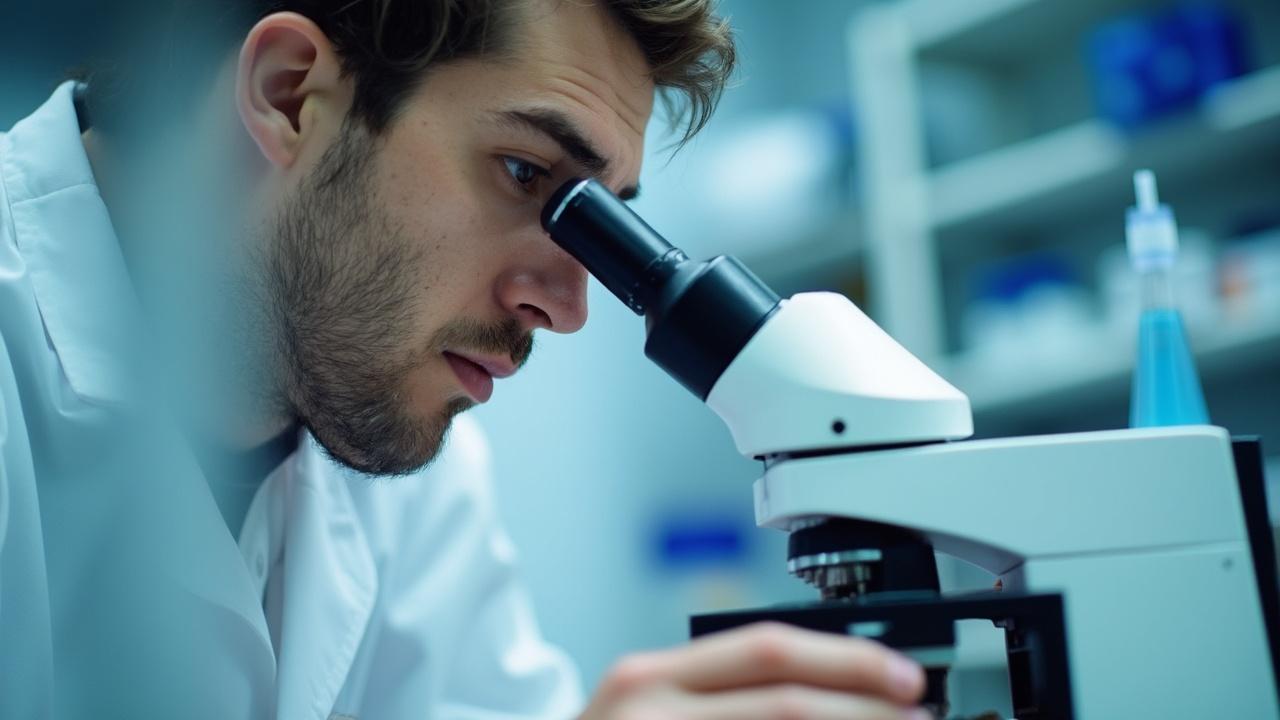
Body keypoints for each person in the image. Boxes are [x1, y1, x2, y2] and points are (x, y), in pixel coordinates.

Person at [0, 1, 931, 718]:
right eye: (525, 173)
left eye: (603, 222)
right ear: (290, 94)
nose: (567, 309)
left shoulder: (393, 433)